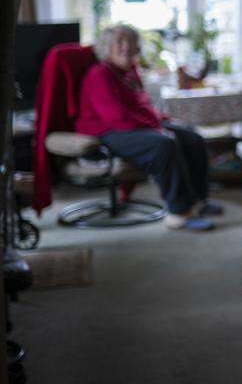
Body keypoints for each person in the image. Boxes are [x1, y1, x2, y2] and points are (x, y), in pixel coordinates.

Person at [75, 24, 222, 231]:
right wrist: (157, 128)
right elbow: (117, 118)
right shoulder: (99, 74)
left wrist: (163, 120)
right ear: (107, 48)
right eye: (120, 41)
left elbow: (142, 107)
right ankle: (179, 212)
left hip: (132, 126)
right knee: (163, 144)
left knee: (192, 137)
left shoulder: (129, 72)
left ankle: (199, 200)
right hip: (107, 131)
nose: (126, 47)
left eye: (131, 42)